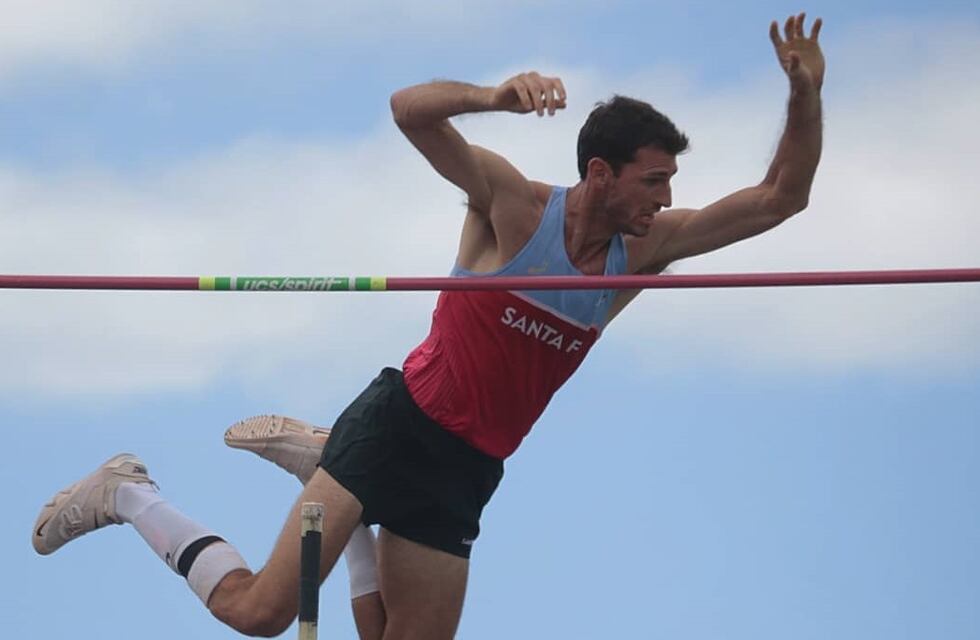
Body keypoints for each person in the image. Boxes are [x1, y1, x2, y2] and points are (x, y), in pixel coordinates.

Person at [31, 13, 825, 639]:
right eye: (653, 181)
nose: (663, 197)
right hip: (398, 427)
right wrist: (494, 98)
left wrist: (803, 95)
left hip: (466, 472)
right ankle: (128, 493)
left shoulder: (647, 250)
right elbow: (408, 112)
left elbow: (782, 197)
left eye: (669, 184)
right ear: (598, 174)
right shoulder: (515, 206)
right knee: (262, 615)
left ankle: (328, 475)